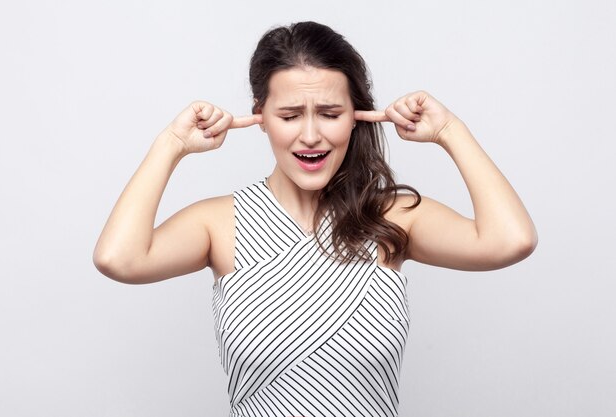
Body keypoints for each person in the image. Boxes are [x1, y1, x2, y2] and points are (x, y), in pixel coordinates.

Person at [94, 21, 537, 417]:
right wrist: (171, 144)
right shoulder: (220, 222)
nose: (311, 135)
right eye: (289, 115)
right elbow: (119, 258)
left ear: (358, 117)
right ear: (260, 117)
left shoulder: (390, 215)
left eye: (330, 114)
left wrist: (448, 131)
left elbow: (510, 239)